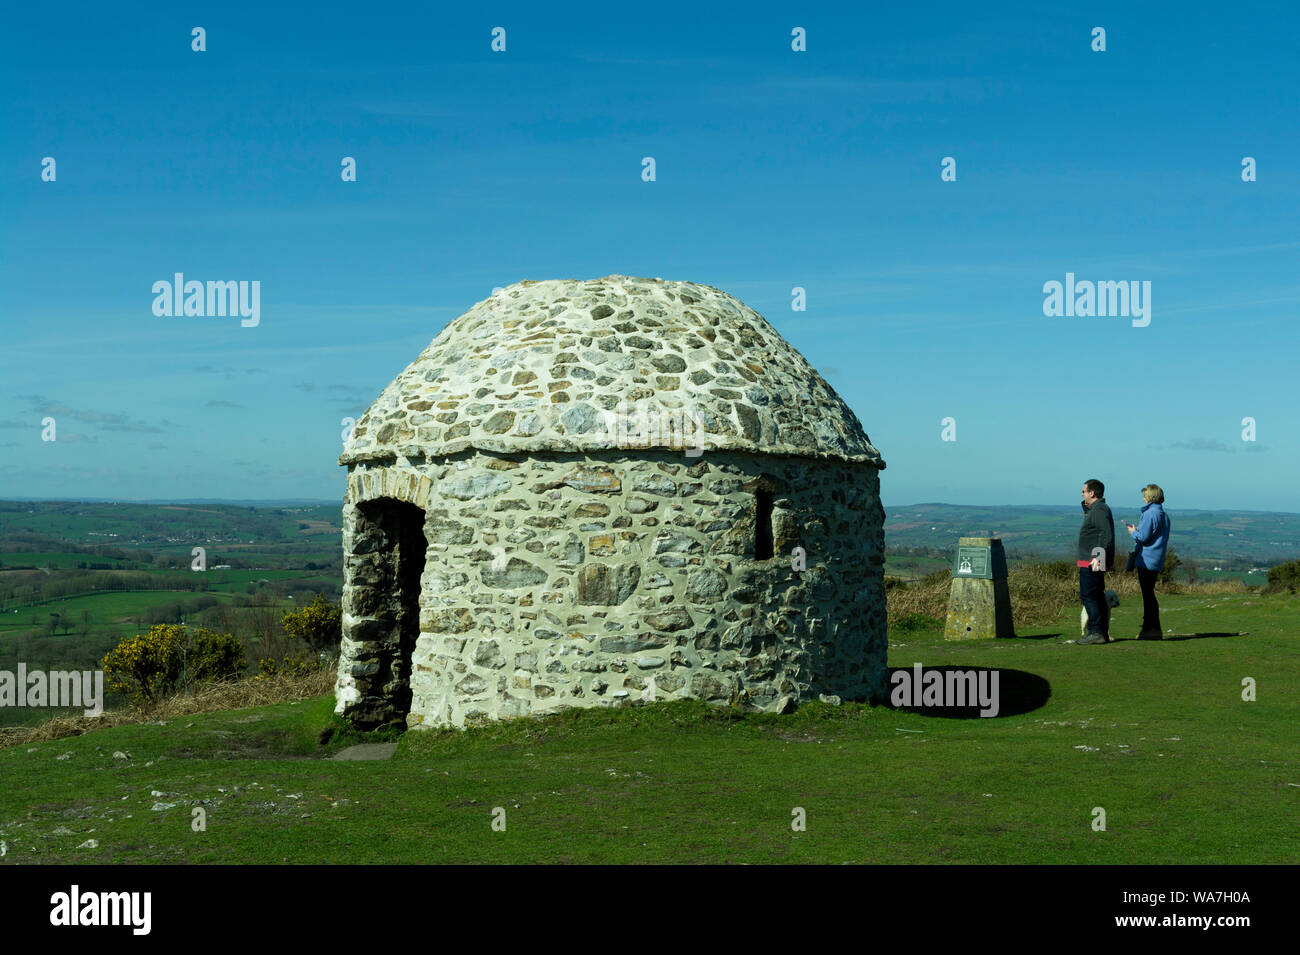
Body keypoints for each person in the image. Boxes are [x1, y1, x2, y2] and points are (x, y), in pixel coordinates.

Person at [1123, 484, 1171, 639]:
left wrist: (1133, 532)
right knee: (1149, 594)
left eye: (1145, 495)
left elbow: (1143, 537)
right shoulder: (1164, 515)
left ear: (1150, 497)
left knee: (1148, 595)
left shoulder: (1150, 514)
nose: (1143, 498)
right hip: (1157, 559)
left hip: (1147, 559)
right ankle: (1151, 628)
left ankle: (1152, 628)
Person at [1076, 478, 1115, 645]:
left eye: (1084, 491)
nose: (1082, 493)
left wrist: (1098, 557)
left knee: (1089, 596)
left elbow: (1104, 534)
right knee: (1096, 595)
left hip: (1092, 561)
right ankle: (1100, 631)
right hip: (1093, 559)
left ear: (1092, 493)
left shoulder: (1099, 510)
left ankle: (1096, 632)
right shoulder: (1097, 509)